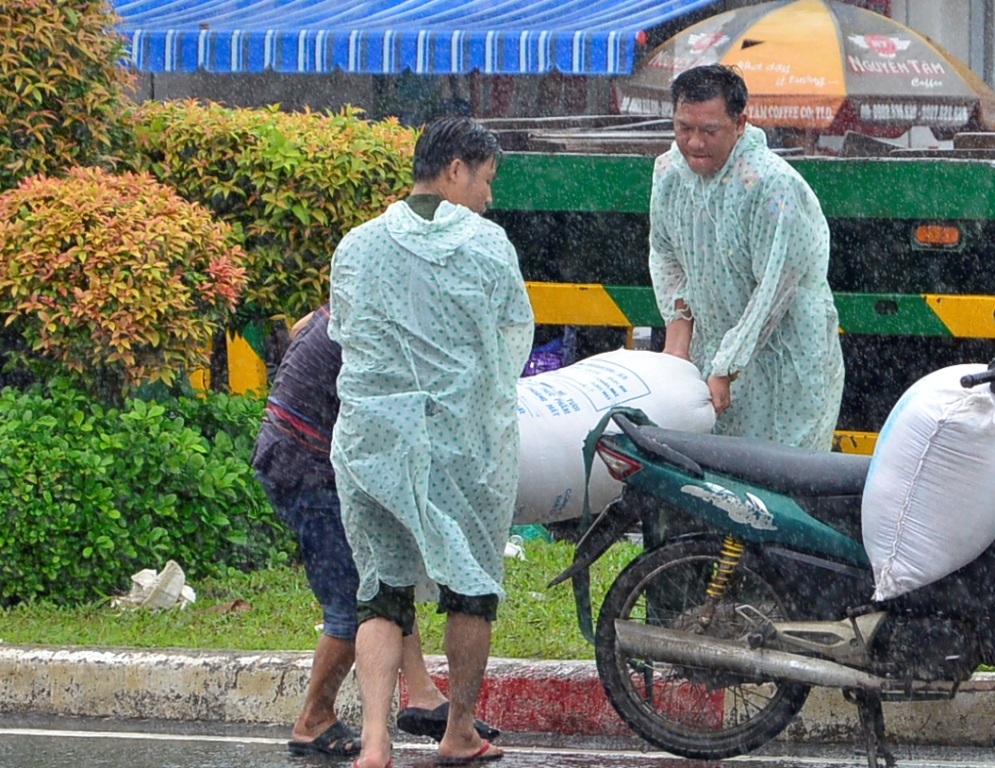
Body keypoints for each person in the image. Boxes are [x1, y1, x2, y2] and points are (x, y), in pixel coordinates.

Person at [328, 116, 534, 768]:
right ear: (455, 169)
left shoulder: (356, 246)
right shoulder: (488, 246)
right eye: (485, 180)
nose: (487, 196)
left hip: (373, 441)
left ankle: (374, 745)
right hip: (462, 445)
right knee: (469, 587)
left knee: (381, 592)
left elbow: (345, 336)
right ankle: (458, 732)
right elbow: (511, 343)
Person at [251, 304, 498, 758]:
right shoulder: (386, 324)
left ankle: (422, 692)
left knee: (387, 573)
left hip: (305, 450)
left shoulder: (359, 302)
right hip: (307, 463)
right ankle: (313, 719)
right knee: (357, 603)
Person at [649, 64, 844, 450]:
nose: (694, 143)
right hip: (714, 346)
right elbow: (666, 253)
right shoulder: (670, 172)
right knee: (718, 471)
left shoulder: (771, 185)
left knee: (782, 469)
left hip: (784, 356)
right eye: (684, 128)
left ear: (740, 124)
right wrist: (678, 342)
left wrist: (728, 367)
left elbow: (774, 290)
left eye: (709, 131)